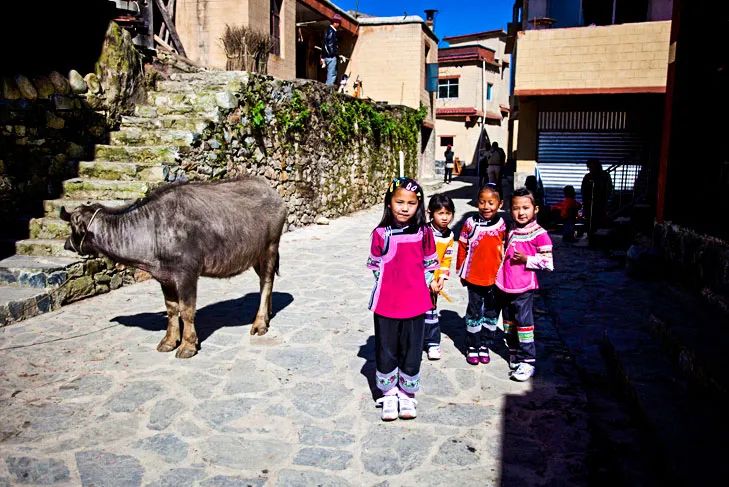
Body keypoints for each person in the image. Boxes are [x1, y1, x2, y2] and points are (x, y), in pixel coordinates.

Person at [366, 177, 439, 421]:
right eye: (399, 202)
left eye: (411, 203)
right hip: (387, 303)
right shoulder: (380, 234)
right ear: (389, 203)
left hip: (416, 303)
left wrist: (432, 281)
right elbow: (377, 267)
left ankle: (407, 393)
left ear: (419, 206)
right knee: (386, 348)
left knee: (412, 349)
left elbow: (430, 264)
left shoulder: (425, 233)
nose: (405, 208)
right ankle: (388, 392)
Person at [496, 187, 554, 381]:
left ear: (535, 209)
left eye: (526, 207)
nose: (521, 212)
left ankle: (527, 360)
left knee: (524, 323)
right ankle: (514, 353)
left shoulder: (540, 234)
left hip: (524, 288)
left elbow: (548, 263)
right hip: (506, 285)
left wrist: (527, 259)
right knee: (509, 322)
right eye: (516, 208)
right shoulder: (512, 228)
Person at [456, 184, 507, 365]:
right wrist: (460, 269)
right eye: (482, 202)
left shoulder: (502, 225)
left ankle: (485, 344)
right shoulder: (470, 223)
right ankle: (472, 345)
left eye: (491, 203)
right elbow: (462, 245)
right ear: (477, 203)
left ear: (499, 204)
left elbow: (506, 249)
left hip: (495, 278)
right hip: (474, 277)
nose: (486, 207)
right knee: (474, 311)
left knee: (492, 313)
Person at [424, 194, 456, 360]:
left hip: (435, 283)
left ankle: (432, 343)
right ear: (431, 212)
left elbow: (446, 258)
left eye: (448, 213)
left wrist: (441, 278)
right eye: (440, 213)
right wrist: (427, 280)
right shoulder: (423, 231)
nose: (445, 218)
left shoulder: (449, 236)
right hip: (419, 280)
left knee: (431, 312)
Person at [580, 158, 612, 234]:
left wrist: (603, 199)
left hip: (600, 203)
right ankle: (590, 235)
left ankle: (597, 237)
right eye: (589, 167)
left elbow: (608, 189)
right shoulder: (587, 176)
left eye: (590, 167)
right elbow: (583, 190)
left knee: (599, 221)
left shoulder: (604, 176)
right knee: (589, 222)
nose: (589, 169)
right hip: (589, 203)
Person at [322, 14, 342, 86]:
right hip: (331, 56)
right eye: (339, 23)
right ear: (335, 22)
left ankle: (328, 89)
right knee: (332, 74)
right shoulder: (331, 32)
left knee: (330, 73)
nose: (339, 25)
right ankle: (329, 90)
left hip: (327, 56)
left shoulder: (327, 30)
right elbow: (330, 45)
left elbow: (325, 44)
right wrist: (335, 55)